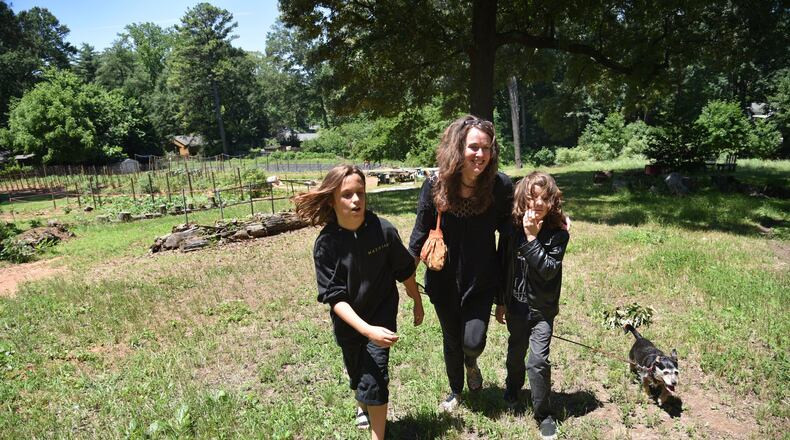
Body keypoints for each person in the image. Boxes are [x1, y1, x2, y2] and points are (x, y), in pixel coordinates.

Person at [294, 165, 424, 440]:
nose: (355, 200)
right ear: (332, 199)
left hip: (381, 316)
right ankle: (360, 399)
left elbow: (404, 270)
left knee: (375, 378)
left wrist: (416, 300)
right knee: (358, 374)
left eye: (360, 194)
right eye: (347, 195)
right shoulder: (326, 245)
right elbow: (335, 298)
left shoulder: (383, 230)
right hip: (349, 322)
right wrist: (364, 330)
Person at [408, 115, 513, 412]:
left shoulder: (500, 187)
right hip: (442, 281)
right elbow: (418, 235)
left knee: (473, 342)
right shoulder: (435, 185)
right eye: (473, 147)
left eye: (486, 148)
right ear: (458, 148)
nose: (480, 155)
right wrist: (404, 275)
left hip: (481, 281)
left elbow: (510, 235)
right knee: (452, 339)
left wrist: (555, 223)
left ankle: (472, 362)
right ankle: (455, 390)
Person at [495, 171, 570, 440]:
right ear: (522, 199)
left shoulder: (558, 234)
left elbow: (549, 269)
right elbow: (504, 267)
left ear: (552, 201)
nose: (537, 203)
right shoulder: (511, 229)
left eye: (544, 198)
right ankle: (512, 387)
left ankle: (543, 414)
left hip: (542, 310)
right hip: (516, 306)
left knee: (537, 361)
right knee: (516, 351)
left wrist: (531, 238)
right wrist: (500, 302)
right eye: (531, 197)